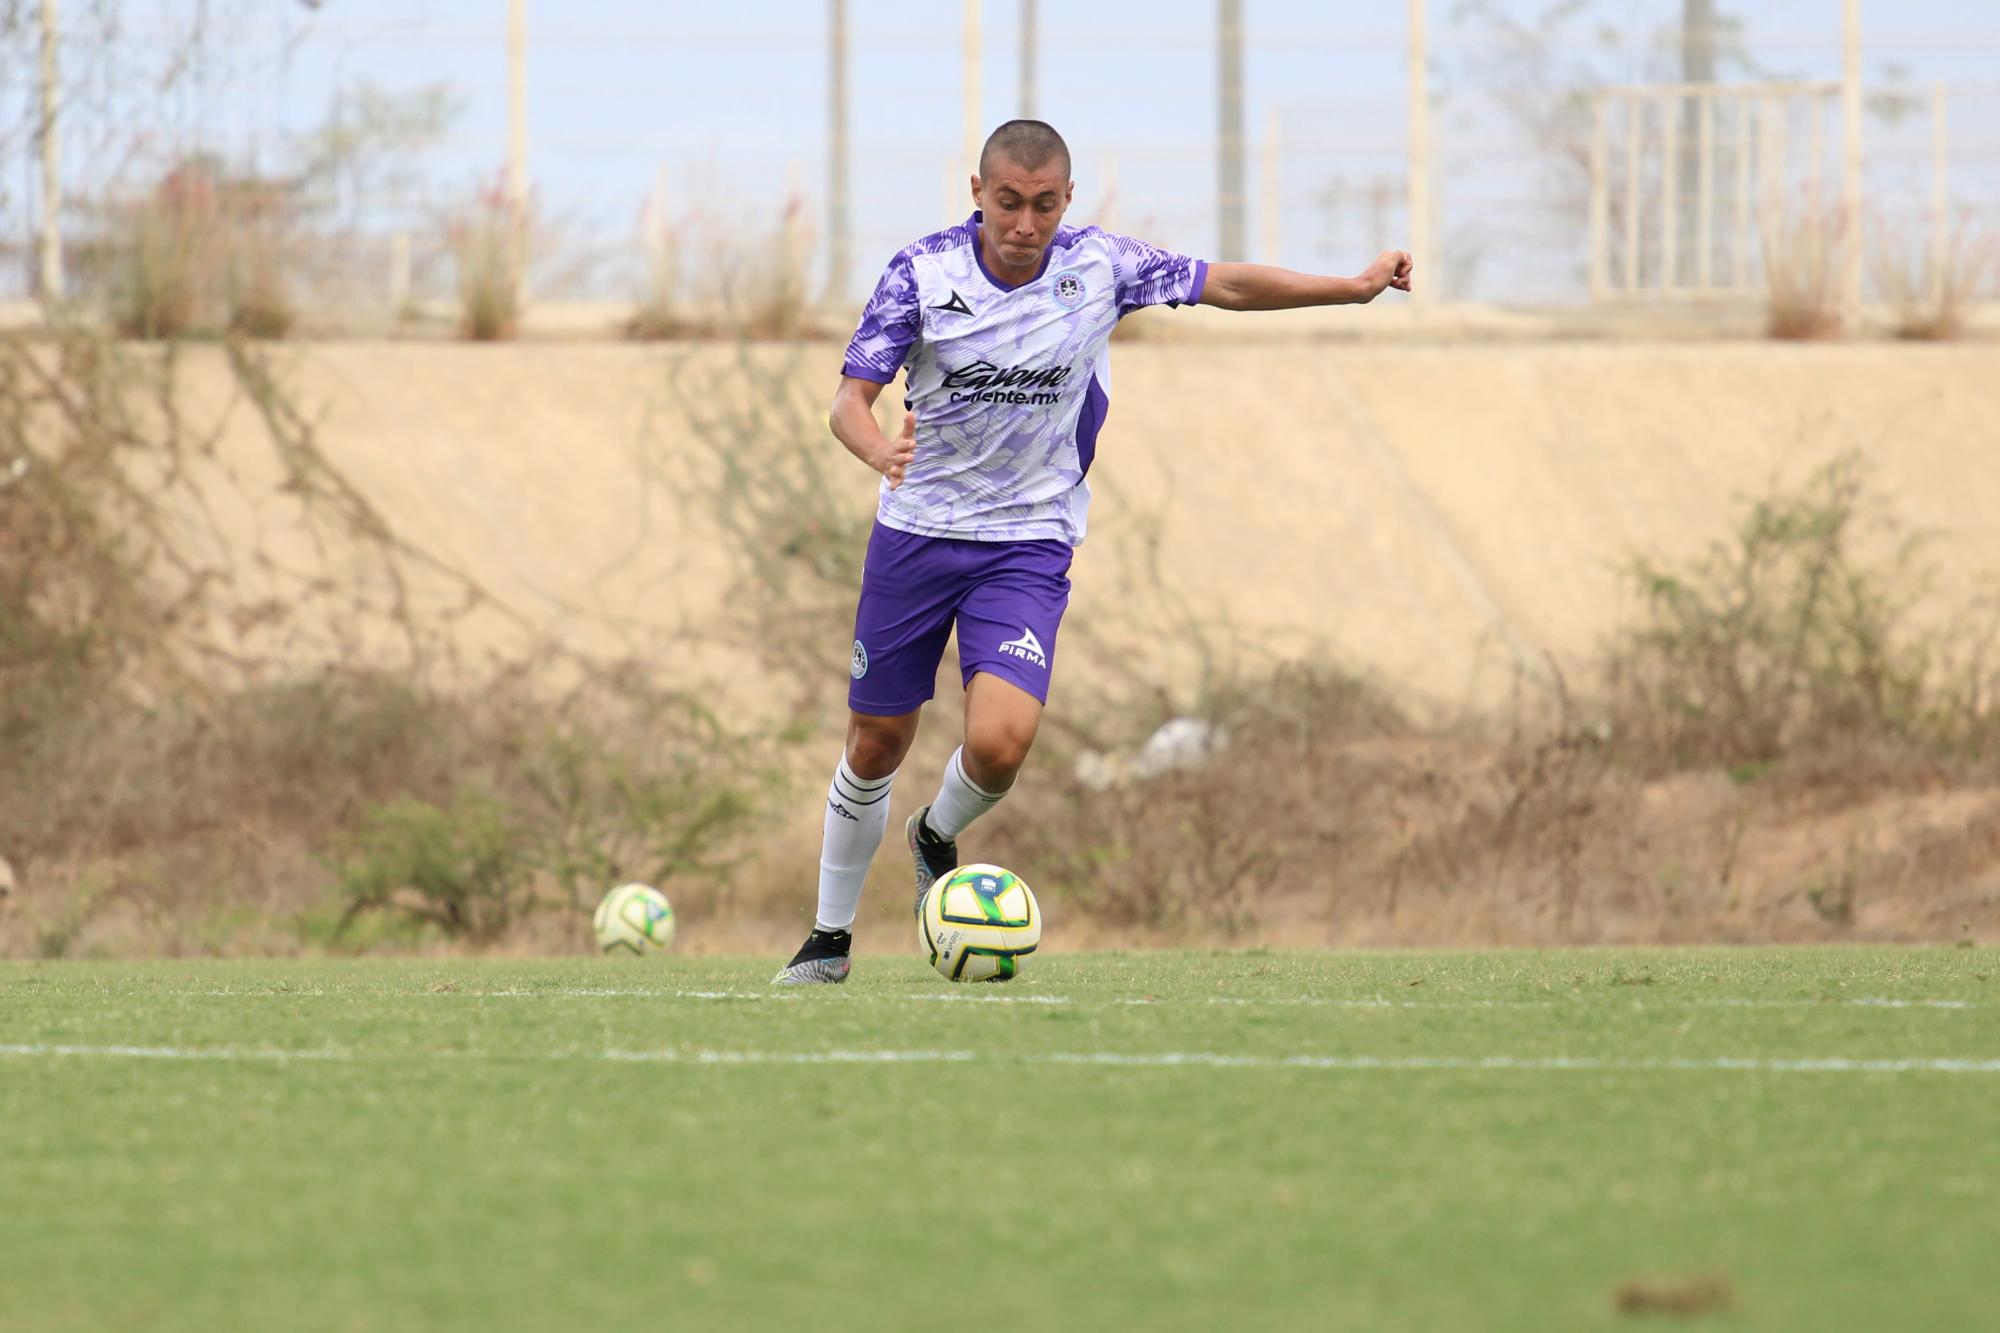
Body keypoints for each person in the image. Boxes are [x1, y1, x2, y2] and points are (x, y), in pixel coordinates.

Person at [773, 119, 1412, 983]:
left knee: (1000, 744)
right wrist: (877, 449)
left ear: (1067, 201)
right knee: (877, 741)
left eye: (1042, 205)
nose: (1024, 223)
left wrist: (1350, 287)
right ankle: (829, 938)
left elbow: (1225, 284)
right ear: (977, 193)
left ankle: (934, 831)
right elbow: (850, 400)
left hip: (1027, 545)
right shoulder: (921, 274)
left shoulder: (1099, 267)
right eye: (1007, 203)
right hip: (918, 536)